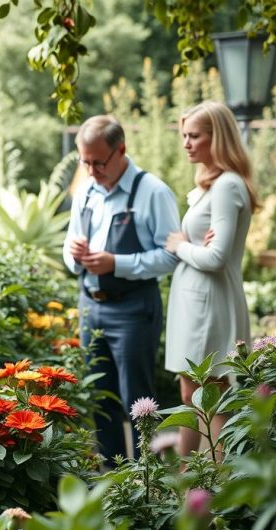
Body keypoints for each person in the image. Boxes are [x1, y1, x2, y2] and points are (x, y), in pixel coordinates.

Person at [62, 115, 181, 463]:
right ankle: (116, 482)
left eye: (99, 162)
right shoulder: (84, 190)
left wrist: (117, 263)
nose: (92, 169)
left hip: (133, 309)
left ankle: (149, 480)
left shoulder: (153, 192)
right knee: (100, 400)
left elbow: (171, 256)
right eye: (85, 162)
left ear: (121, 150)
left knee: (137, 401)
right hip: (90, 306)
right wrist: (75, 256)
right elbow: (69, 245)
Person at [164, 101, 257, 457]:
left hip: (209, 302)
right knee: (190, 394)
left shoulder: (227, 186)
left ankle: (219, 484)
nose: (186, 143)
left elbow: (216, 258)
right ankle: (186, 479)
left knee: (211, 394)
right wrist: (192, 249)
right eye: (184, 135)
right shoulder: (212, 183)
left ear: (216, 137)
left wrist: (180, 246)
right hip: (194, 300)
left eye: (194, 135)